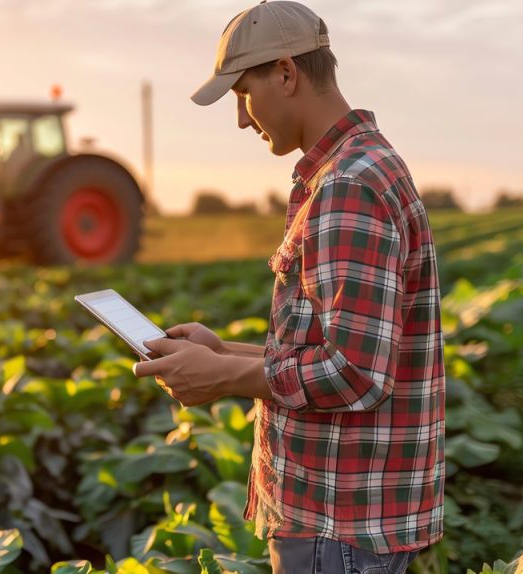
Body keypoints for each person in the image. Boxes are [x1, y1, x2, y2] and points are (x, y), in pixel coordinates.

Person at [132, 2, 445, 572]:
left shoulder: (350, 184)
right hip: (342, 521)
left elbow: (354, 373)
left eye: (242, 95)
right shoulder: (355, 169)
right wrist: (223, 352)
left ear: (285, 72)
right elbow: (339, 349)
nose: (242, 120)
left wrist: (224, 377)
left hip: (338, 525)